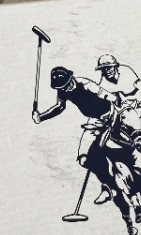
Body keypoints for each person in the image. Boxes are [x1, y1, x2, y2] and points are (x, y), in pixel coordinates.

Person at [32, 66, 116, 205]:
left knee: (102, 149)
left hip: (111, 115)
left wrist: (114, 112)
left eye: (67, 85)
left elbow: (108, 96)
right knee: (85, 160)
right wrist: (41, 117)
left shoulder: (86, 84)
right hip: (95, 120)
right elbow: (60, 107)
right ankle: (109, 186)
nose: (65, 89)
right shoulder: (62, 90)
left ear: (71, 78)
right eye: (62, 88)